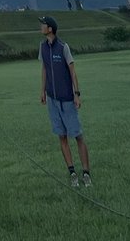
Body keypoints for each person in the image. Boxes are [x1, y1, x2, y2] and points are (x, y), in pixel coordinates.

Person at [38, 16, 92, 188]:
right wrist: (43, 91)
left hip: (67, 99)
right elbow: (44, 69)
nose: (41, 26)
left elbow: (73, 72)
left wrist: (76, 94)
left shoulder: (63, 47)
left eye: (43, 24)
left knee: (78, 135)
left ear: (50, 29)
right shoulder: (42, 47)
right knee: (61, 136)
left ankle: (86, 172)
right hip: (53, 99)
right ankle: (72, 172)